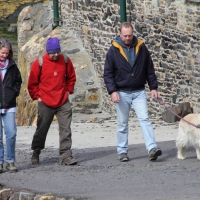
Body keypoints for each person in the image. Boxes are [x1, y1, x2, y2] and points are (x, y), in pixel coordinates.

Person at [103, 22, 162, 162]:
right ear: (120, 33)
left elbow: (149, 69)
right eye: (125, 36)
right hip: (122, 92)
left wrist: (153, 87)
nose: (128, 38)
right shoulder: (113, 51)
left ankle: (152, 148)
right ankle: (122, 151)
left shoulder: (141, 48)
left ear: (133, 33)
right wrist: (112, 91)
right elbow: (108, 73)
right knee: (122, 123)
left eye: (130, 35)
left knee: (145, 119)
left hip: (139, 91)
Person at [28, 37, 77, 166]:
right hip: (45, 101)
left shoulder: (65, 60)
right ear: (48, 51)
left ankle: (66, 155)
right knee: (42, 129)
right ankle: (36, 150)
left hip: (62, 100)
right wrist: (37, 96)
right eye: (53, 53)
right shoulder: (39, 62)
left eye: (57, 52)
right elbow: (32, 83)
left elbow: (71, 77)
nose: (55, 55)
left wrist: (68, 91)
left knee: (65, 129)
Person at [0, 39, 22, 172]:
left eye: (6, 53)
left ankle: (11, 161)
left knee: (11, 133)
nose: (4, 56)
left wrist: (14, 92)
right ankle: (0, 162)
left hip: (9, 104)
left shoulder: (13, 66)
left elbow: (18, 80)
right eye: (2, 53)